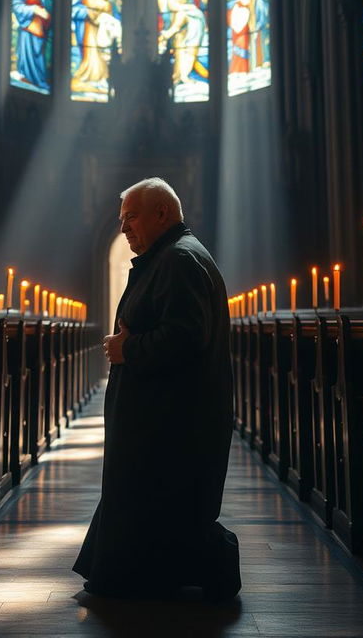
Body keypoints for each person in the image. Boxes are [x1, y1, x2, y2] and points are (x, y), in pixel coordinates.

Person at [73, 178, 240, 602]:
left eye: (130, 217)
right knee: (151, 503)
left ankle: (209, 571)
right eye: (121, 220)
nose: (124, 228)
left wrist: (129, 348)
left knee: (168, 506)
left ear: (161, 213)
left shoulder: (180, 260)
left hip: (171, 420)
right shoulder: (169, 256)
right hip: (159, 415)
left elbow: (186, 336)